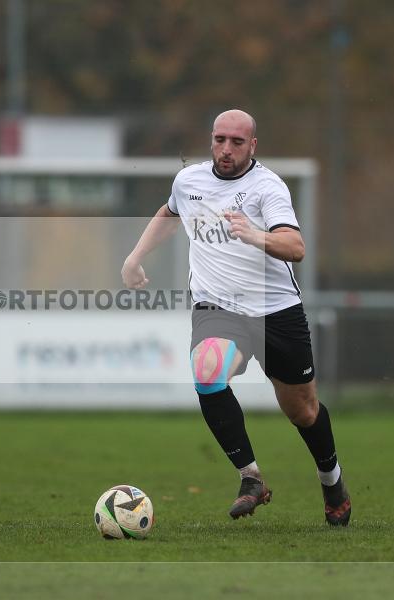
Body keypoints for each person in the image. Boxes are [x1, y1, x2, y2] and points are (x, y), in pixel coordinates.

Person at [121, 110, 350, 526]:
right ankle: (251, 478)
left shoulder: (268, 188)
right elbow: (170, 215)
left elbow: (296, 247)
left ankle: (331, 481)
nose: (226, 149)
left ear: (253, 146)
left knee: (303, 410)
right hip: (218, 309)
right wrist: (136, 256)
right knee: (207, 373)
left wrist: (256, 235)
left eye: (237, 142)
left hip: (275, 311)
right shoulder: (188, 181)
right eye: (219, 139)